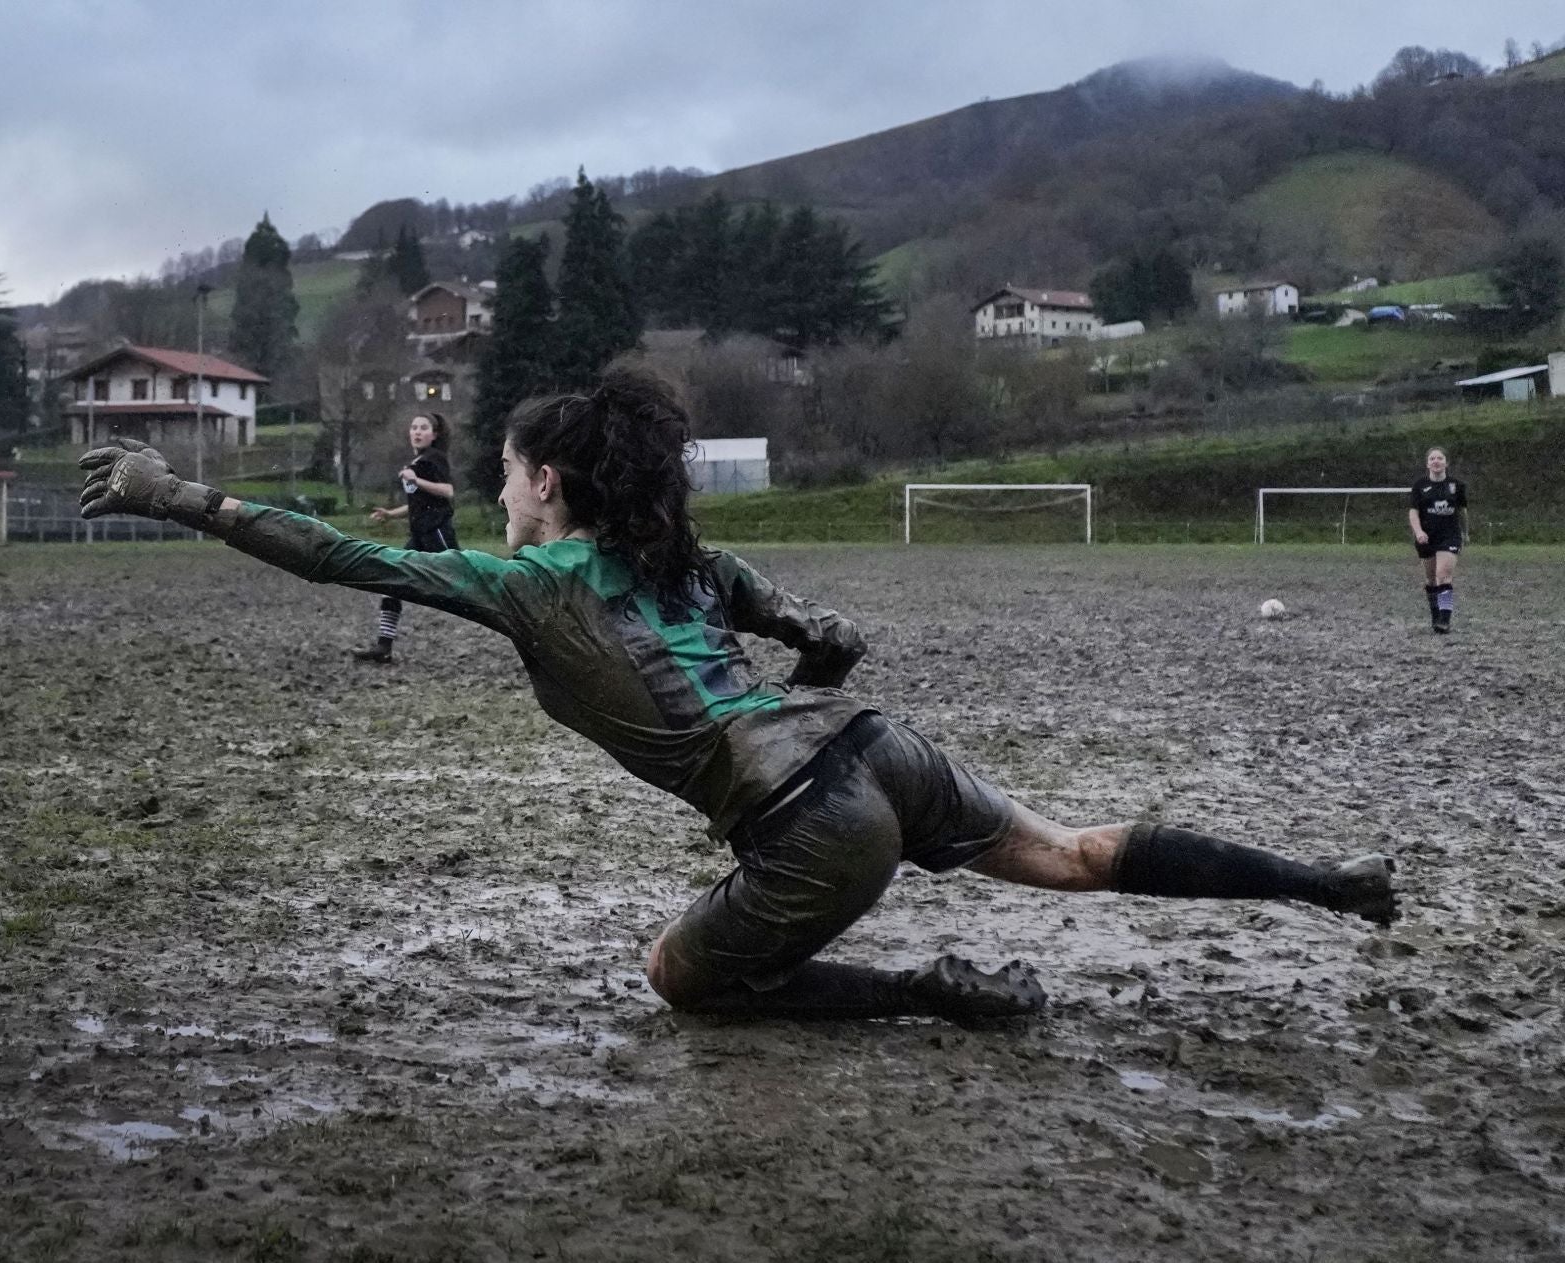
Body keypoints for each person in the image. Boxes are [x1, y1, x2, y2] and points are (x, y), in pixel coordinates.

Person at [77, 363, 1398, 1026]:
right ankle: (1330, 882)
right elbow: (834, 642)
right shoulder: (698, 557)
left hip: (808, 811)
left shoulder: (531, 587)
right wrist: (804, 673)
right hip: (882, 750)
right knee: (1073, 852)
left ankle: (941, 989)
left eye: (506, 471)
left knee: (680, 977)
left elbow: (342, 555)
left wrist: (178, 495)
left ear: (545, 484)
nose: (496, 489)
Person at [352, 412, 457, 662]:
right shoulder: (418, 461)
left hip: (437, 533)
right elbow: (418, 505)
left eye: (423, 428)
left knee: (462, 588)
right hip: (419, 537)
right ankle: (383, 648)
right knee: (392, 583)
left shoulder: (434, 458)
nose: (417, 432)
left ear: (434, 434)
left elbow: (448, 492)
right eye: (414, 427)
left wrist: (416, 480)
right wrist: (390, 514)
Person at [1408, 447, 1467, 634]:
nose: (1436, 461)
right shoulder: (1419, 486)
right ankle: (1435, 615)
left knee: (1443, 575)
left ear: (1446, 463)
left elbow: (1463, 511)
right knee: (1431, 578)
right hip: (1427, 537)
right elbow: (1413, 512)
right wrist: (1418, 532)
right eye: (1432, 458)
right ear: (1427, 464)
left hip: (1450, 535)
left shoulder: (1456, 486)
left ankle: (1444, 619)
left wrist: (1465, 532)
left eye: (1440, 458)